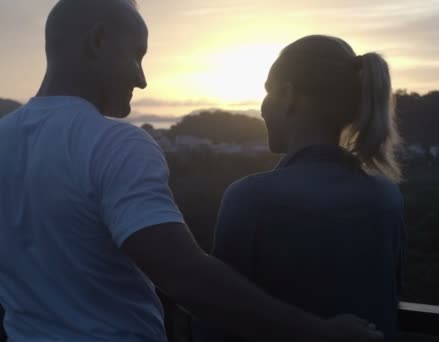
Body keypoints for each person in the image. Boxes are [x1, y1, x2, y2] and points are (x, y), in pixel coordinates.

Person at [0, 1, 384, 341]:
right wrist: (320, 333)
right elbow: (184, 276)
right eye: (138, 54)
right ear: (98, 41)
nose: (142, 78)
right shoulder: (113, 143)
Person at [209, 35, 406, 342]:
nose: (261, 108)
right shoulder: (386, 195)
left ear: (288, 96)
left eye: (267, 92)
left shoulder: (249, 198)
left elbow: (221, 316)